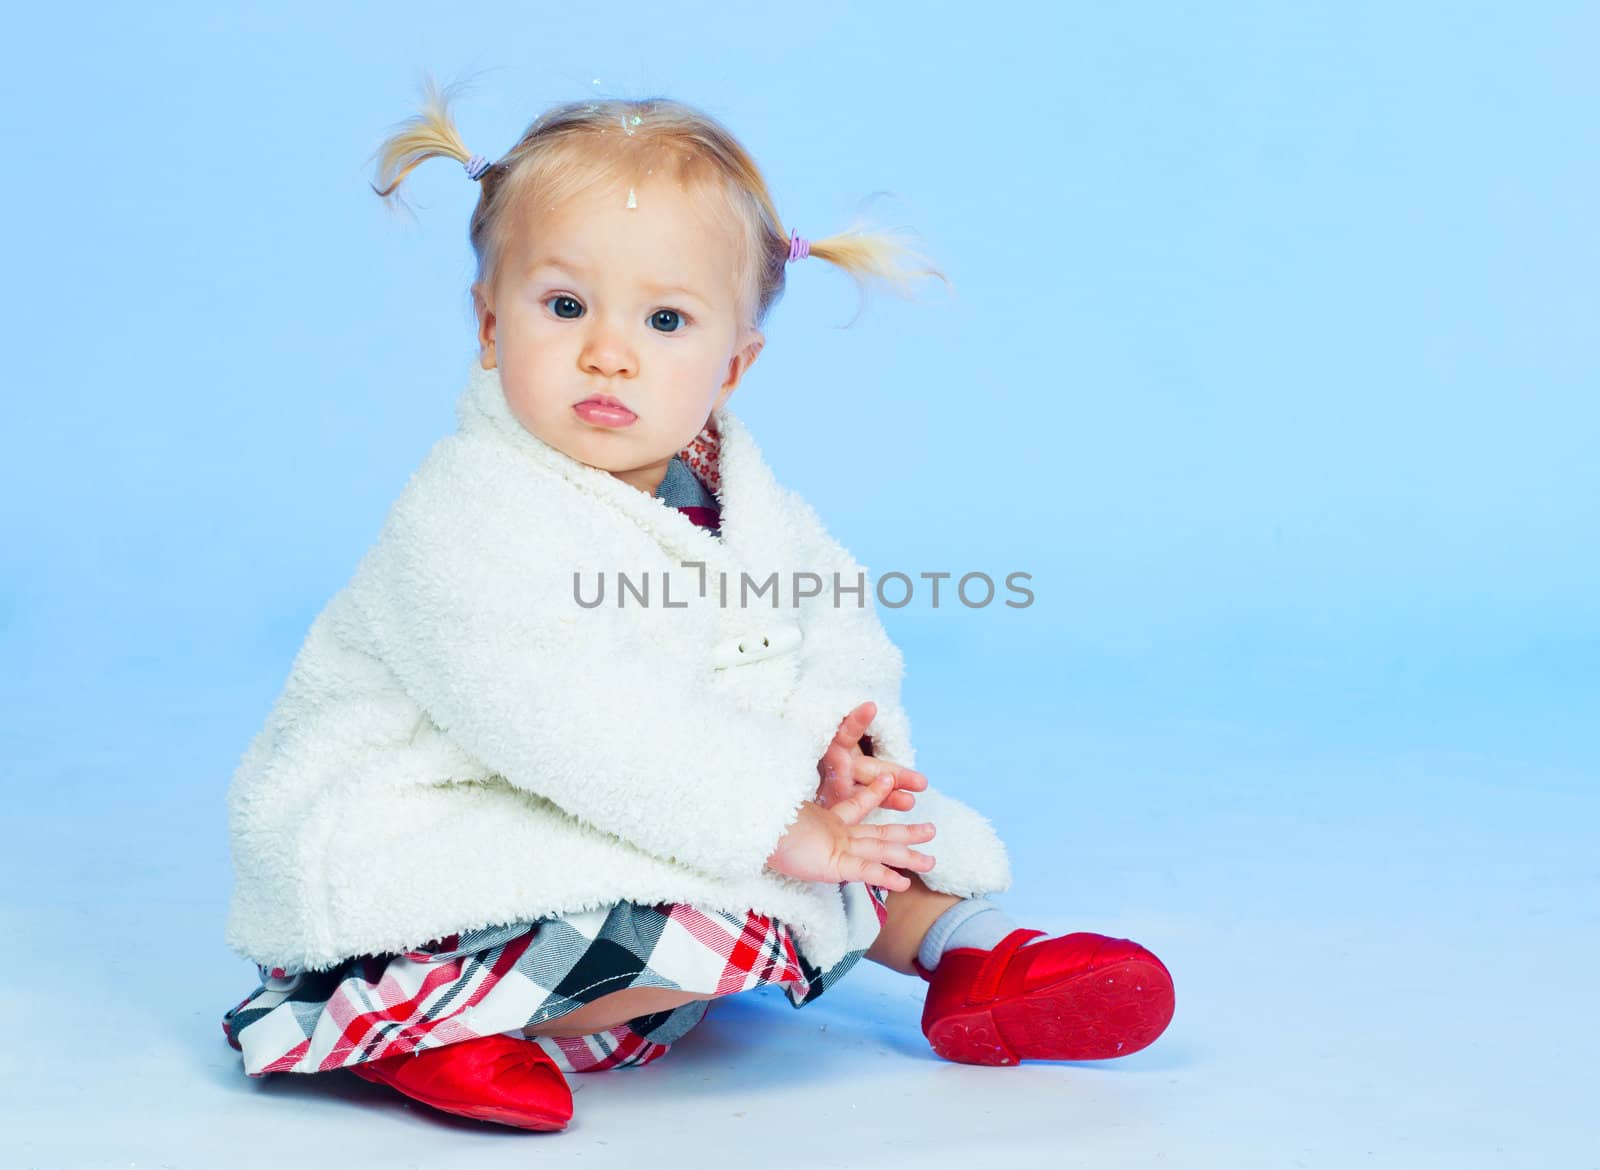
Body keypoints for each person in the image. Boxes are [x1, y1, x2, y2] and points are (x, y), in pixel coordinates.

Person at [220, 74, 1175, 1133]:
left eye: (665, 318)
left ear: (734, 363)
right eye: (564, 306)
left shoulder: (745, 498)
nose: (608, 351)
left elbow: (829, 619)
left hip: (673, 787)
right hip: (435, 831)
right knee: (756, 882)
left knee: (874, 833)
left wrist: (837, 751)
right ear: (490, 325)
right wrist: (775, 822)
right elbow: (568, 716)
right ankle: (414, 1019)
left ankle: (980, 958)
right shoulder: (466, 515)